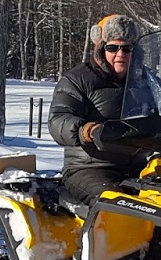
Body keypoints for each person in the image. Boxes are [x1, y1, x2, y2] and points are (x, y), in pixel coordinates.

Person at [50, 14, 147, 204]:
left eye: (127, 48)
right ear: (101, 49)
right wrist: (86, 131)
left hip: (139, 166)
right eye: (113, 48)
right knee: (118, 205)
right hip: (90, 167)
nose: (121, 54)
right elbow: (58, 119)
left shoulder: (145, 81)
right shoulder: (78, 79)